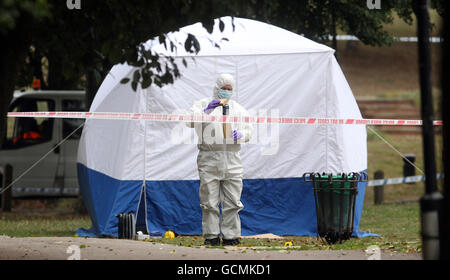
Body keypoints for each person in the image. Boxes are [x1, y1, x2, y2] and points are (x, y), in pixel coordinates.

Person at [186, 73, 252, 246]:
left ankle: (231, 236)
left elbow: (249, 131)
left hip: (232, 158)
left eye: (230, 89)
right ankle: (211, 236)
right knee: (209, 201)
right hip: (209, 158)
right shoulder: (201, 104)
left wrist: (242, 135)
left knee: (233, 202)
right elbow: (189, 121)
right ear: (217, 88)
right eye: (224, 89)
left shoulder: (238, 109)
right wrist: (206, 111)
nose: (226, 92)